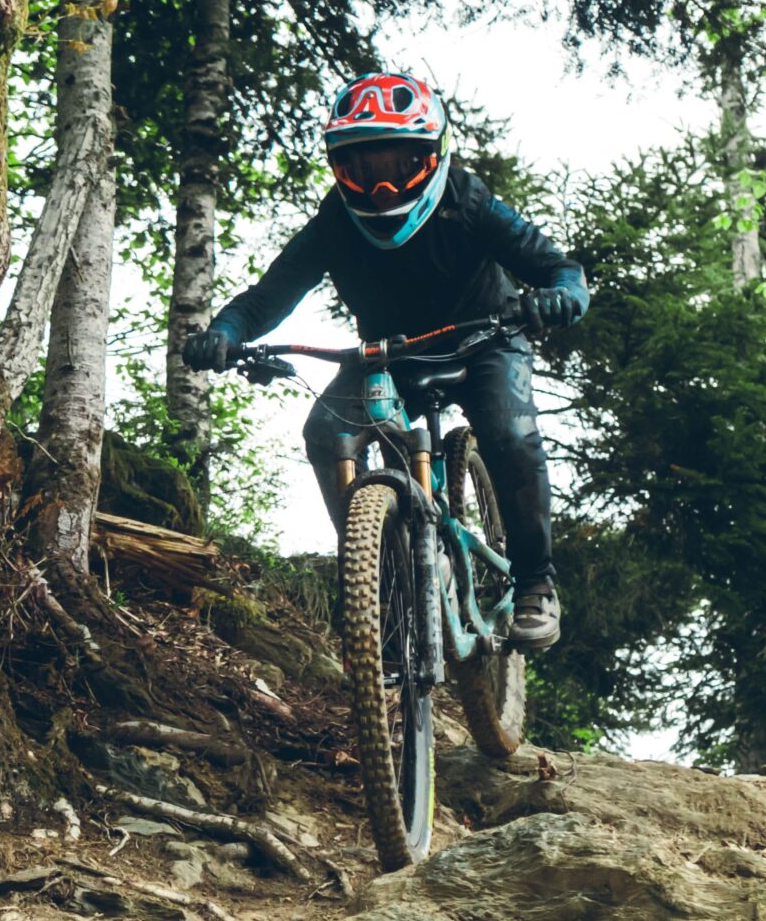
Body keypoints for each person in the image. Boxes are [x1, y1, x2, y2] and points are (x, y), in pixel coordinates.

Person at [182, 70, 586, 649]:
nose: (382, 189)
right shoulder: (336, 222)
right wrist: (222, 332)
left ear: (434, 155)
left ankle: (534, 585)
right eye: (363, 171)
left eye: (399, 167)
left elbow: (559, 268)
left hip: (488, 338)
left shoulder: (465, 199)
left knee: (509, 432)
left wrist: (561, 296)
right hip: (389, 355)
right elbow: (267, 299)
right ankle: (375, 569)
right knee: (324, 432)